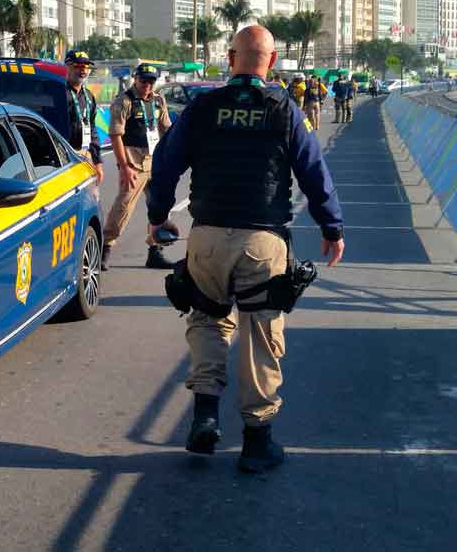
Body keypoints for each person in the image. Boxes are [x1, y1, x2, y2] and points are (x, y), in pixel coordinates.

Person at [147, 25, 345, 473]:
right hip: (262, 241)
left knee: (208, 321)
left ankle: (204, 416)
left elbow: (165, 165)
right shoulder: (284, 108)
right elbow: (313, 172)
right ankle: (257, 442)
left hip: (208, 237)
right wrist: (332, 227)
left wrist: (158, 216)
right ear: (271, 62)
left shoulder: (203, 106)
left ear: (231, 58)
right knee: (260, 335)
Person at [102, 62, 173, 271]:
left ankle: (155, 250)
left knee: (160, 206)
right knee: (123, 206)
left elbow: (166, 129)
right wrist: (124, 166)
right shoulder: (124, 101)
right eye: (144, 81)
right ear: (135, 78)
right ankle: (105, 247)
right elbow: (115, 135)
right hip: (133, 161)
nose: (148, 86)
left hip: (155, 160)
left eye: (152, 82)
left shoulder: (159, 101)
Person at [63, 50, 103, 184]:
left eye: (86, 66)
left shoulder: (89, 96)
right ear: (67, 66)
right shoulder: (59, 94)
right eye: (78, 66)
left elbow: (92, 129)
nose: (83, 70)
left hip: (85, 155)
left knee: (89, 196)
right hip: (64, 158)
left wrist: (97, 162)